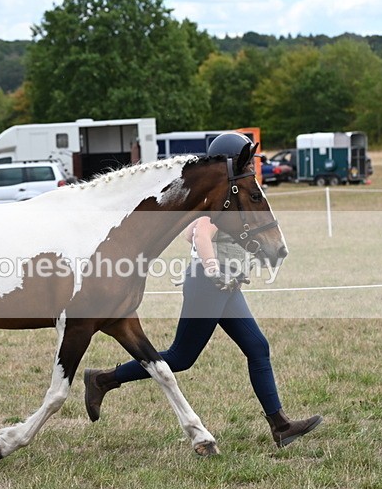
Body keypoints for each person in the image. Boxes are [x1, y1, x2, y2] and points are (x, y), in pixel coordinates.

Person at [83, 132, 323, 449]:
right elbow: (198, 235)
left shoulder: (226, 198)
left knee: (257, 347)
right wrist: (214, 269)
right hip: (208, 285)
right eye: (246, 160)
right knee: (181, 356)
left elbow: (192, 232)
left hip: (225, 287)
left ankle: (281, 426)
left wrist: (234, 267)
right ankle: (102, 379)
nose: (251, 165)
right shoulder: (219, 200)